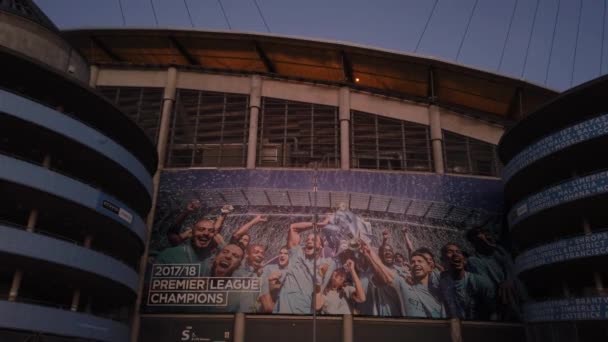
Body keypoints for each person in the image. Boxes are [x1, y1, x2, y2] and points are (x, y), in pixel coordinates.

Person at [274, 217, 336, 314]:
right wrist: (320, 224)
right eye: (307, 240)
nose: (309, 241)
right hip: (283, 313)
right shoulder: (296, 254)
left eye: (314, 240)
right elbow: (293, 228)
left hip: (305, 316)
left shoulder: (327, 262)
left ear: (321, 246)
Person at [466, 226, 523, 320]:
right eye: (481, 241)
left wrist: (508, 280)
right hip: (505, 311)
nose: (487, 242)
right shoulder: (474, 261)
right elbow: (488, 290)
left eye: (488, 238)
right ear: (474, 244)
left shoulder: (501, 251)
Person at [439, 243, 495, 320]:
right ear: (443, 260)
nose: (455, 254)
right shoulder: (441, 280)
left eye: (458, 252)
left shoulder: (480, 282)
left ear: (464, 260)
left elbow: (493, 312)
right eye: (450, 252)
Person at [155, 218, 221, 276]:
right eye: (201, 229)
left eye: (211, 231)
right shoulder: (169, 254)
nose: (206, 233)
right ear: (191, 233)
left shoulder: (215, 261)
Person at [258, 246, 290, 313]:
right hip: (268, 306)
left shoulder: (293, 271)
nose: (282, 255)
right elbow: (260, 285)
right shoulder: (269, 268)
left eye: (285, 253)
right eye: (280, 253)